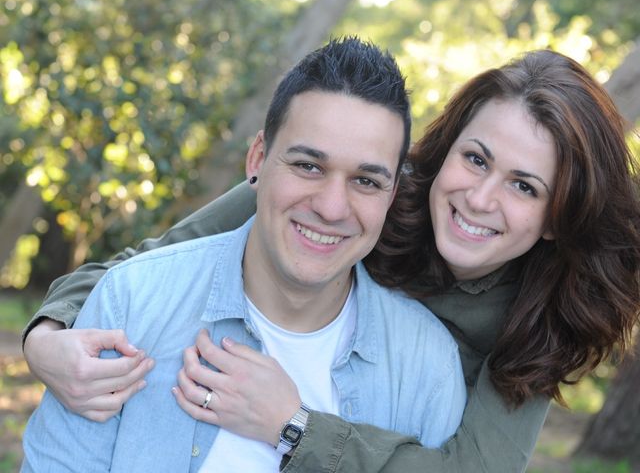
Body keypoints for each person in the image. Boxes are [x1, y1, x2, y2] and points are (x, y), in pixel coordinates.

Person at [23, 49, 640, 472]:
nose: (480, 198)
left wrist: (294, 426)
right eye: (475, 159)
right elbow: (152, 265)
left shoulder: (543, 323)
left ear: (560, 215)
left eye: (524, 186)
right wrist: (46, 338)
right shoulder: (350, 187)